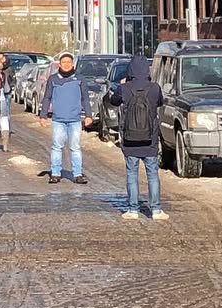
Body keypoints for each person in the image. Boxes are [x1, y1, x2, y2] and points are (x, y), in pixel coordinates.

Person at [107, 54, 166, 220]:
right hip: (150, 139)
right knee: (152, 174)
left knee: (132, 174)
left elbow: (113, 101)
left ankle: (133, 210)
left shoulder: (125, 88)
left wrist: (122, 85)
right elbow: (160, 102)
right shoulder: (154, 88)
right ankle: (156, 210)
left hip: (130, 138)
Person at [40, 52, 93, 184]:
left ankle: (77, 174)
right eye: (64, 62)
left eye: (69, 62)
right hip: (58, 120)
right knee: (56, 147)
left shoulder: (79, 79)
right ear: (60, 64)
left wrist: (88, 115)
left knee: (75, 147)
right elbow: (47, 98)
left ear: (73, 64)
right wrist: (43, 115)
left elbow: (85, 98)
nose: (66, 65)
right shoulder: (53, 79)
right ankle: (55, 173)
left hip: (75, 120)